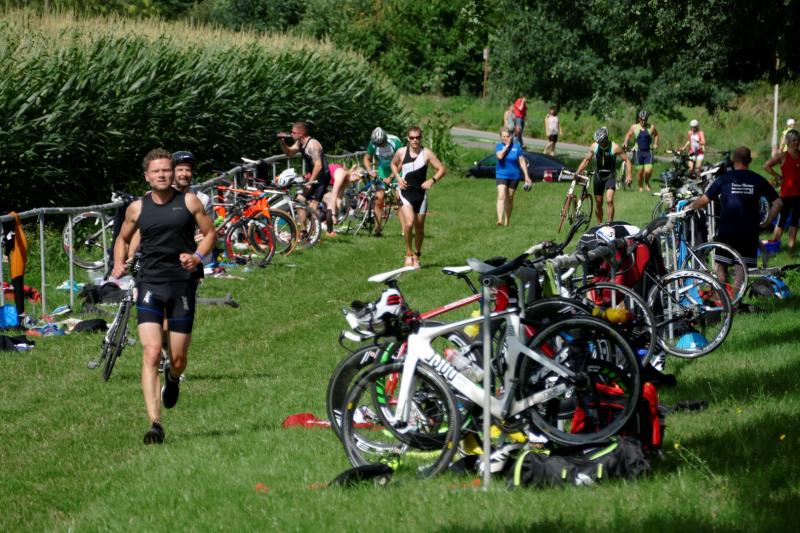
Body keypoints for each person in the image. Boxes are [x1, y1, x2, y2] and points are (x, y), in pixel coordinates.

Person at [111, 148, 216, 445]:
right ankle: (154, 424)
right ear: (147, 176)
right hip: (150, 284)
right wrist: (119, 262)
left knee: (178, 358)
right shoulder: (137, 208)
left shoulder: (189, 202)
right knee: (152, 352)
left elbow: (210, 234)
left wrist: (196, 257)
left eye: (166, 170)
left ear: (173, 173)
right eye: (156, 171)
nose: (162, 175)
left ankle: (173, 377)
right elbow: (122, 238)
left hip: (181, 285)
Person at [686, 146, 781, 295]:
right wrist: (767, 222)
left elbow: (705, 200)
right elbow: (778, 203)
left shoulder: (724, 178)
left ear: (733, 160)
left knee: (721, 265)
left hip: (727, 230)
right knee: (741, 269)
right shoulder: (757, 179)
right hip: (749, 231)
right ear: (750, 161)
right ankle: (734, 301)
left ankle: (722, 299)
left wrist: (690, 206)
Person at [390, 126, 447, 268]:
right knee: (409, 223)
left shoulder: (426, 153)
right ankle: (408, 254)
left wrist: (432, 180)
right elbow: (393, 164)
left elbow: (442, 169)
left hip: (421, 195)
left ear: (421, 138)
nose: (415, 140)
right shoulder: (401, 152)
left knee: (419, 228)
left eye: (417, 137)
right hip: (405, 193)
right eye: (412, 138)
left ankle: (417, 255)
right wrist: (397, 177)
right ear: (408, 138)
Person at [277, 122, 333, 235]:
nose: (291, 134)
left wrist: (310, 182)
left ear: (301, 133)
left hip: (322, 177)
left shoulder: (313, 145)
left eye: (294, 132)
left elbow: (318, 166)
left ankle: (315, 235)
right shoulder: (300, 143)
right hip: (314, 177)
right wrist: (282, 142)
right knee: (299, 200)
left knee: (313, 206)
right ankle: (304, 232)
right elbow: (289, 153)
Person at [576, 127, 632, 224]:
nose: (599, 143)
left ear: (606, 138)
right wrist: (578, 172)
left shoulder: (615, 147)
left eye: (601, 141)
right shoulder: (594, 146)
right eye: (597, 141)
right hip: (598, 176)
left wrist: (629, 175)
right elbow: (586, 160)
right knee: (598, 203)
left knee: (609, 200)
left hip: (610, 175)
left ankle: (610, 224)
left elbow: (627, 160)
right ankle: (599, 225)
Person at [764, 129, 800, 253]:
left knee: (795, 221)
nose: (796, 142)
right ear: (788, 142)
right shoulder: (783, 156)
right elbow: (766, 165)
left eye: (798, 140)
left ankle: (791, 247)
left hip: (799, 194)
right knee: (782, 221)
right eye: (794, 140)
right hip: (786, 194)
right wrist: (777, 176)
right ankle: (773, 245)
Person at [363, 127, 402, 236]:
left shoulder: (395, 141)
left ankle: (405, 230)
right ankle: (377, 229)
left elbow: (402, 160)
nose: (380, 146)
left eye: (382, 144)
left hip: (398, 168)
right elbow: (366, 158)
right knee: (379, 198)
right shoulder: (372, 143)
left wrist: (391, 177)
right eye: (378, 145)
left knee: (399, 199)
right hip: (383, 169)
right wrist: (370, 171)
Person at [495, 127, 532, 226]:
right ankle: (500, 219)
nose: (506, 138)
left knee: (510, 198)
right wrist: (506, 147)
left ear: (511, 136)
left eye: (507, 136)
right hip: (501, 175)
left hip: (514, 176)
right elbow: (500, 156)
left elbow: (522, 162)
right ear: (501, 137)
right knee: (501, 195)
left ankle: (507, 220)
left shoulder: (517, 147)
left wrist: (526, 176)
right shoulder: (499, 146)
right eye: (504, 137)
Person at [623, 110, 659, 192]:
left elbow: (656, 135)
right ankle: (640, 187)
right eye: (642, 120)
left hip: (648, 151)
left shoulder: (651, 127)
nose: (643, 121)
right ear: (639, 119)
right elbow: (628, 135)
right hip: (638, 152)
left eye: (645, 120)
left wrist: (656, 143)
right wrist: (625, 142)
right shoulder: (634, 127)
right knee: (640, 172)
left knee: (648, 171)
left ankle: (647, 182)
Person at [323, 162, 362, 231]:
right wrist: (333, 215)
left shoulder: (346, 180)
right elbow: (334, 195)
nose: (355, 182)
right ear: (353, 174)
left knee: (332, 206)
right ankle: (328, 231)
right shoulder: (341, 174)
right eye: (356, 180)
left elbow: (339, 198)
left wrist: (336, 215)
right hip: (315, 180)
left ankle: (326, 226)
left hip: (322, 183)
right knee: (330, 203)